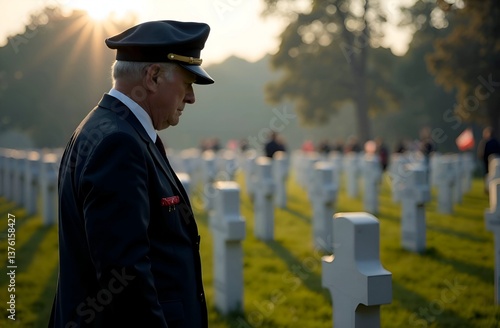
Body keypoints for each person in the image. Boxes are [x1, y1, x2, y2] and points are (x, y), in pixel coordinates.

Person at [49, 20, 214, 328]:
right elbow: (124, 278)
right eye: (187, 83)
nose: (190, 98)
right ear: (152, 77)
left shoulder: (110, 128)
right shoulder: (120, 143)